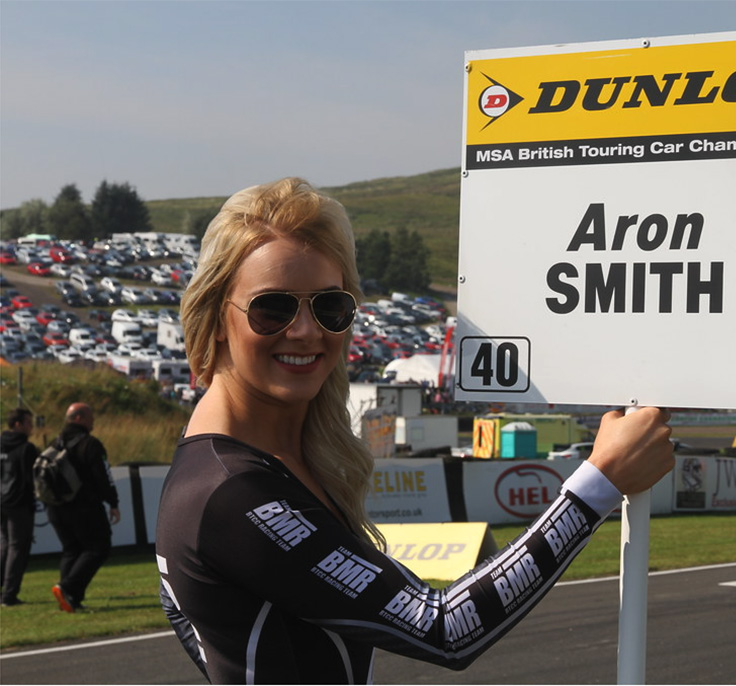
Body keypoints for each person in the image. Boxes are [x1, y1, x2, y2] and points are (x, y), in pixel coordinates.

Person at [155, 177, 674, 684]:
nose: (307, 331)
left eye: (330, 307)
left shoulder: (247, 464)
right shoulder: (231, 492)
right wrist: (598, 484)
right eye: (273, 307)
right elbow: (446, 626)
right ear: (215, 314)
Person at [46, 403, 121, 612]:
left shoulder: (54, 444)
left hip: (55, 508)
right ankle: (67, 588)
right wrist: (113, 503)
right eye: (90, 417)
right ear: (79, 419)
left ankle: (69, 600)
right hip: (84, 507)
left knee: (72, 550)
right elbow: (103, 477)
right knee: (98, 547)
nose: (93, 421)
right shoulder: (90, 444)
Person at [1, 408, 40, 607]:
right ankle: (9, 594)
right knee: (17, 548)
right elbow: (32, 479)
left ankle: (5, 592)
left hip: (2, 502)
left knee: (5, 545)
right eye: (28, 423)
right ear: (18, 424)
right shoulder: (26, 448)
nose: (31, 427)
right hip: (18, 503)